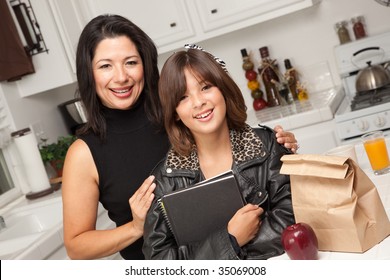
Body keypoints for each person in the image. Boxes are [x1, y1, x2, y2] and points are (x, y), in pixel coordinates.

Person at [62, 14, 299, 260]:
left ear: (145, 63)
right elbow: (76, 246)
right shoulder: (84, 153)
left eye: (131, 62)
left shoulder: (181, 112)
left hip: (251, 251)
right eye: (105, 65)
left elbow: (240, 155)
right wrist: (135, 228)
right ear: (89, 73)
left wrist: (278, 145)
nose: (121, 77)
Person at [143, 46, 295, 260]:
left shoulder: (267, 145)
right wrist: (230, 240)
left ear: (222, 89)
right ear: (175, 113)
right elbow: (160, 261)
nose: (198, 102)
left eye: (205, 87)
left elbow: (293, 214)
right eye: (183, 97)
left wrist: (229, 251)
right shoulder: (165, 181)